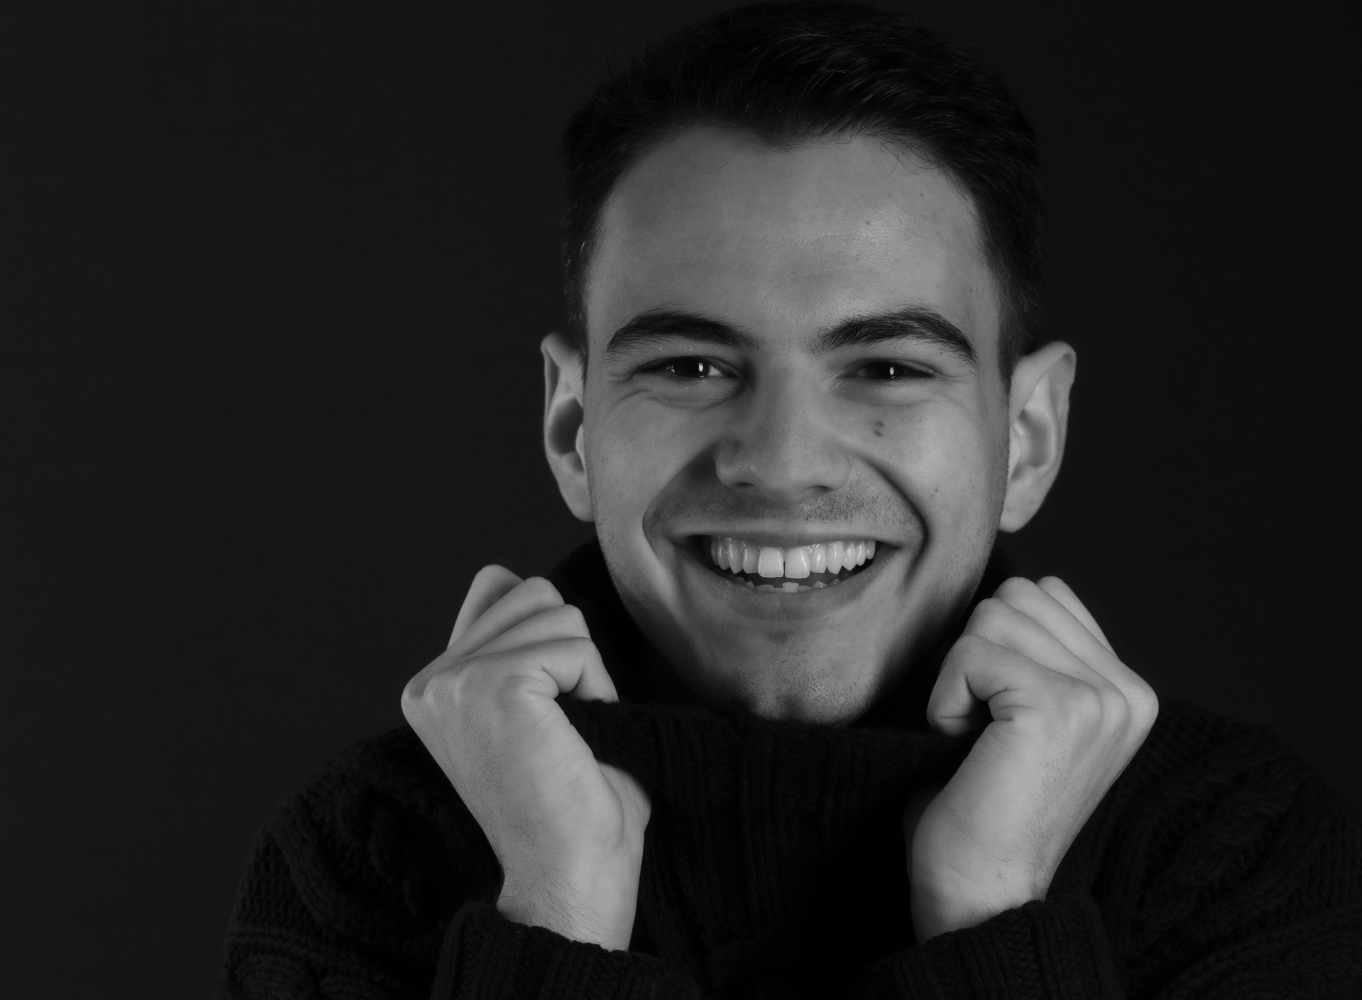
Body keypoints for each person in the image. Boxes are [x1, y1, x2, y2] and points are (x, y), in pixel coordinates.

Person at [216, 3, 1362, 997]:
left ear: (1026, 435)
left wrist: (996, 916)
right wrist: (557, 914)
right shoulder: (368, 856)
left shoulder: (1235, 857)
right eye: (691, 366)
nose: (781, 461)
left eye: (888, 366)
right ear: (573, 427)